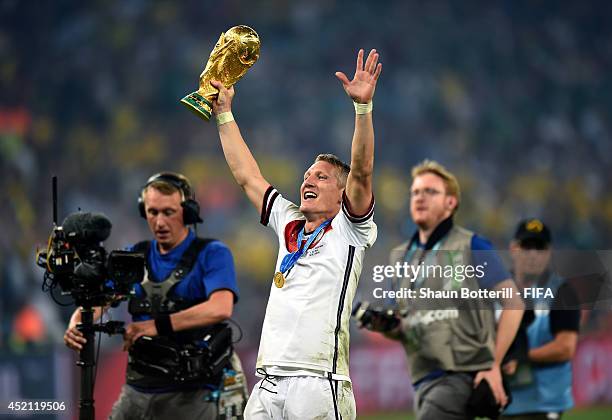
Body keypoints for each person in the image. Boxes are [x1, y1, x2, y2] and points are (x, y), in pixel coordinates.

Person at [208, 48, 382, 420]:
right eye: (306, 174)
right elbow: (247, 176)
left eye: (321, 176)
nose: (308, 179)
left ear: (342, 192)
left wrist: (362, 110)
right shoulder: (287, 222)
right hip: (268, 381)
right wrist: (223, 114)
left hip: (319, 381)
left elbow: (363, 170)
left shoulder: (349, 229)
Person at [63, 172, 241, 420]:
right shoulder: (134, 256)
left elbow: (220, 307)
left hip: (192, 392)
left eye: (168, 212)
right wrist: (78, 321)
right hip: (138, 387)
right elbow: (101, 299)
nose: (159, 222)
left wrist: (155, 325)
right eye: (152, 212)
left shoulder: (212, 253)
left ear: (188, 213)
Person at [376, 160, 525, 420]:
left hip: (459, 377)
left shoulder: (472, 245)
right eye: (415, 192)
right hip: (423, 380)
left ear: (451, 202)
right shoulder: (401, 257)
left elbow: (514, 304)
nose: (420, 197)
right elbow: (404, 326)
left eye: (430, 192)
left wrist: (493, 364)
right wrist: (384, 325)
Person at [501, 219, 580, 420]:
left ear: (549, 252)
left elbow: (565, 347)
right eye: (527, 246)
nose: (533, 254)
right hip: (503, 403)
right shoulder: (495, 291)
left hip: (544, 404)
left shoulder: (562, 292)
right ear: (513, 248)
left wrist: (520, 357)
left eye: (540, 247)